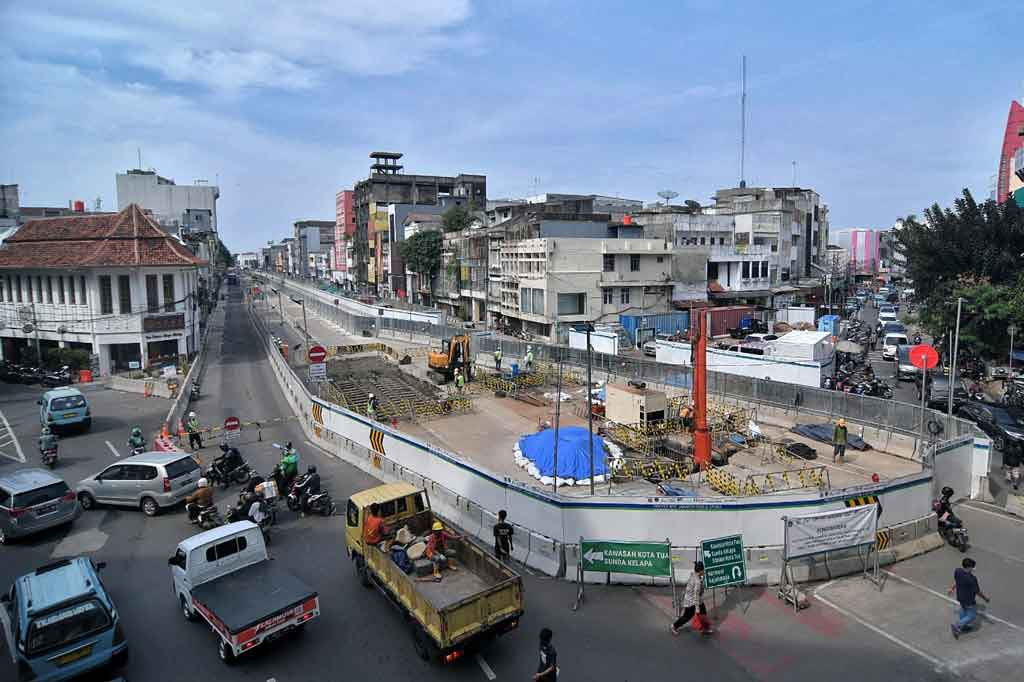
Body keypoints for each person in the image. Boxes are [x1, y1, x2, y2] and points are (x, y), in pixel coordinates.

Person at [949, 557, 990, 639]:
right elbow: (977, 592)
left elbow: (957, 581)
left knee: (963, 609)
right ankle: (957, 625)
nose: (974, 568)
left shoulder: (958, 571)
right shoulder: (972, 579)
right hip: (969, 600)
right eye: (973, 567)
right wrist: (985, 598)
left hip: (960, 597)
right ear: (969, 567)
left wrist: (952, 588)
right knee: (971, 615)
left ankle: (964, 626)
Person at [671, 561, 713, 635]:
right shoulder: (697, 582)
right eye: (703, 570)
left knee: (703, 612)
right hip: (691, 601)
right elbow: (696, 596)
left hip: (692, 599)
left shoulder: (693, 575)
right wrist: (697, 608)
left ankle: (705, 628)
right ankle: (674, 626)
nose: (704, 571)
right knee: (687, 616)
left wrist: (702, 580)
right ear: (700, 570)